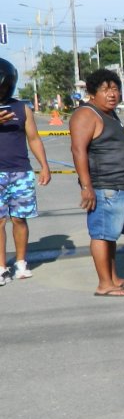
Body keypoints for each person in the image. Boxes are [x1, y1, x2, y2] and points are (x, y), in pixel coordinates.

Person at [70, 69, 124, 297]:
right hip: (104, 185)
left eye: (115, 89)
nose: (112, 94)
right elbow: (78, 150)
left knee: (110, 235)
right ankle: (104, 284)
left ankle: (113, 277)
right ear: (92, 92)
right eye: (105, 89)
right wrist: (86, 186)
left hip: (121, 184)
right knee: (101, 234)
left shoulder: (109, 114)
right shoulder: (86, 114)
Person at [0, 58, 51, 285]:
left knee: (19, 219)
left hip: (20, 172)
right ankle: (1, 267)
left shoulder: (22, 108)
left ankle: (21, 262)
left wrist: (44, 166)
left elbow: (34, 138)